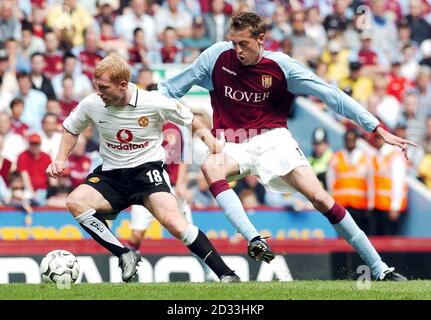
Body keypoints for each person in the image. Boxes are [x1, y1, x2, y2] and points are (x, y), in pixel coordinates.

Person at [158, 12, 418, 280]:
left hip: (274, 140)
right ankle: (254, 238)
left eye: (243, 44)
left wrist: (375, 127)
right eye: (233, 42)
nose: (237, 50)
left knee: (320, 198)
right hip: (234, 141)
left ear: (261, 39)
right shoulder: (216, 57)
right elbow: (169, 89)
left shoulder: (282, 67)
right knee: (211, 165)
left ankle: (379, 268)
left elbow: (331, 94)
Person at [46, 54, 240, 283]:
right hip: (111, 174)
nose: (98, 92)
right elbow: (71, 128)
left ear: (123, 85)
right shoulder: (92, 104)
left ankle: (226, 274)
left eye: (103, 87)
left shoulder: (153, 102)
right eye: (96, 85)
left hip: (147, 171)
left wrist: (212, 143)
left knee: (176, 225)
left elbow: (189, 119)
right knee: (75, 202)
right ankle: (124, 254)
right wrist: (60, 158)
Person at [327, 129, 374, 235]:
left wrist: (370, 203)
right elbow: (331, 182)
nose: (350, 142)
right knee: (342, 235)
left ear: (356, 140)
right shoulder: (336, 157)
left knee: (358, 234)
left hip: (359, 205)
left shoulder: (364, 158)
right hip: (341, 205)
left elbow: (370, 182)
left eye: (352, 139)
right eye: (347, 139)